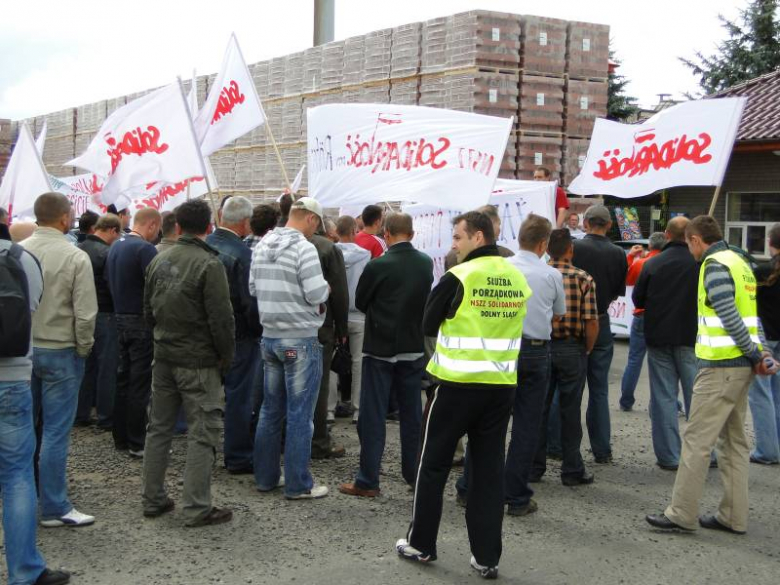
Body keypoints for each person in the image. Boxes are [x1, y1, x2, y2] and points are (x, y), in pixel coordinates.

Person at [397, 211, 530, 579]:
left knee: (433, 464)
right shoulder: (517, 277)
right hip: (500, 387)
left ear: (477, 237)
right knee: (488, 473)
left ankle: (421, 544)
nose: (453, 244)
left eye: (457, 237)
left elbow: (427, 323)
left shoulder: (459, 275)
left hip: (456, 385)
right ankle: (487, 557)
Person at [647, 216, 778, 535]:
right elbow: (752, 314)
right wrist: (760, 353)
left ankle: (681, 513)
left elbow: (729, 314)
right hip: (740, 368)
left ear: (695, 240)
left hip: (720, 367)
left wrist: (754, 352)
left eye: (690, 245)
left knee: (696, 441)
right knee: (734, 443)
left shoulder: (714, 264)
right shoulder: (740, 261)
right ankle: (733, 516)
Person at [455, 215, 566, 516]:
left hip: (501, 350)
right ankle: (515, 495)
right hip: (535, 352)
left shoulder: (502, 268)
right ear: (544, 243)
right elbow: (558, 315)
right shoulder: (551, 275)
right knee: (527, 426)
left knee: (486, 423)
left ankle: (469, 486)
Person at [142, 199, 236, 527]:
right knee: (203, 431)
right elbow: (221, 319)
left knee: (159, 428)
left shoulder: (159, 259)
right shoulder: (210, 265)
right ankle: (196, 505)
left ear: (178, 226)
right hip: (197, 360)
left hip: (165, 353)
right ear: (208, 228)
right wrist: (227, 356)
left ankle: (152, 497)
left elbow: (148, 310)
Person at [339, 213, 433, 498]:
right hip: (412, 344)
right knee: (411, 414)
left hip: (380, 345)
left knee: (373, 414)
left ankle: (368, 479)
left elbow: (361, 301)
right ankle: (413, 474)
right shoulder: (425, 263)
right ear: (412, 234)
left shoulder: (378, 265)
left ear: (387, 233)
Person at [20, 192, 98, 527]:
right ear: (65, 218)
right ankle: (53, 506)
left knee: (23, 428)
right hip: (61, 350)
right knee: (55, 431)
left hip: (23, 350)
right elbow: (85, 314)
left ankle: (20, 496)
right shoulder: (74, 257)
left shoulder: (17, 252)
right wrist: (83, 348)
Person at [1, 232, 72, 585]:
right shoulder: (22, 258)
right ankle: (24, 572)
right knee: (16, 476)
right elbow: (35, 304)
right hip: (12, 377)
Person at [250, 197, 330, 499]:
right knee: (299, 415)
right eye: (317, 224)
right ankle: (298, 484)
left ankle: (266, 478)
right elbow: (315, 292)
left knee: (270, 411)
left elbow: (253, 289)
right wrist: (326, 290)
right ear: (310, 218)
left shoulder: (261, 245)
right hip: (300, 338)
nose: (316, 230)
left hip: (269, 337)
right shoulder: (304, 249)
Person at [532, 229, 598, 488]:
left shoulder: (537, 276)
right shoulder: (583, 278)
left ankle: (534, 466)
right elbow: (591, 321)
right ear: (571, 249)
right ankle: (572, 469)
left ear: (547, 249)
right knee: (571, 411)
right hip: (572, 348)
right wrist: (587, 348)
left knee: (538, 409)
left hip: (543, 345)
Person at [633, 218, 699, 470]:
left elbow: (638, 298)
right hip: (691, 338)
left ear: (667, 235)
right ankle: (705, 453)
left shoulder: (653, 263)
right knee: (698, 397)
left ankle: (669, 455)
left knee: (663, 396)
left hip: (659, 336)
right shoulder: (700, 264)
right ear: (689, 236)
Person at [205, 196, 261, 474]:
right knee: (239, 396)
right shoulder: (242, 254)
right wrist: (256, 331)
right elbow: (248, 301)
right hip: (239, 334)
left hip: (204, 334)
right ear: (245, 222)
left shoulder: (204, 246)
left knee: (205, 396)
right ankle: (238, 455)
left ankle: (204, 451)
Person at [572, 205, 627, 463]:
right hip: (601, 319)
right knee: (599, 389)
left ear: (585, 223)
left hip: (572, 321)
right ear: (607, 225)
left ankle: (557, 445)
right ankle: (602, 449)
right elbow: (618, 290)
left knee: (566, 386)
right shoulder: (618, 253)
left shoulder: (575, 248)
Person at [106, 207, 161, 458]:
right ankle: (137, 441)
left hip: (119, 318)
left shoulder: (117, 245)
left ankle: (120, 436)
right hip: (140, 321)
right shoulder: (145, 250)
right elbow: (157, 287)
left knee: (123, 378)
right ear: (151, 225)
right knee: (139, 382)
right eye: (157, 229)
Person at [75, 214, 122, 430]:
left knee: (85, 365)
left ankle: (81, 413)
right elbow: (113, 286)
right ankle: (106, 416)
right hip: (105, 314)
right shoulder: (107, 252)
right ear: (112, 230)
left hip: (81, 313)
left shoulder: (79, 247)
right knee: (107, 367)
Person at [309, 215, 349, 459]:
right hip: (321, 326)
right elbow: (339, 292)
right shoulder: (327, 249)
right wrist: (341, 328)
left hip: (285, 327)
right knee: (318, 385)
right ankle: (318, 440)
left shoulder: (273, 243)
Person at [619, 232, 665, 412]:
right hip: (661, 317)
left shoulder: (641, 263)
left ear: (650, 246)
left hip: (640, 315)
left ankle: (626, 399)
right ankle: (660, 402)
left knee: (634, 359)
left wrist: (631, 256)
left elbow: (627, 279)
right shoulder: (668, 263)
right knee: (660, 362)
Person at [747, 223, 780, 464]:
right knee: (777, 394)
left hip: (764, 338)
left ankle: (767, 450)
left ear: (770, 243)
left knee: (760, 394)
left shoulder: (761, 272)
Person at [334, 215, 371, 422]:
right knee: (359, 362)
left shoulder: (330, 252)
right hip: (358, 313)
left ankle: (328, 409)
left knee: (331, 363)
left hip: (336, 313)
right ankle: (358, 409)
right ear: (353, 232)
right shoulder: (364, 255)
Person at [445, 204, 513, 270]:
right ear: (489, 225)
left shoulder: (452, 255)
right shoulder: (505, 255)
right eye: (499, 224)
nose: (499, 229)